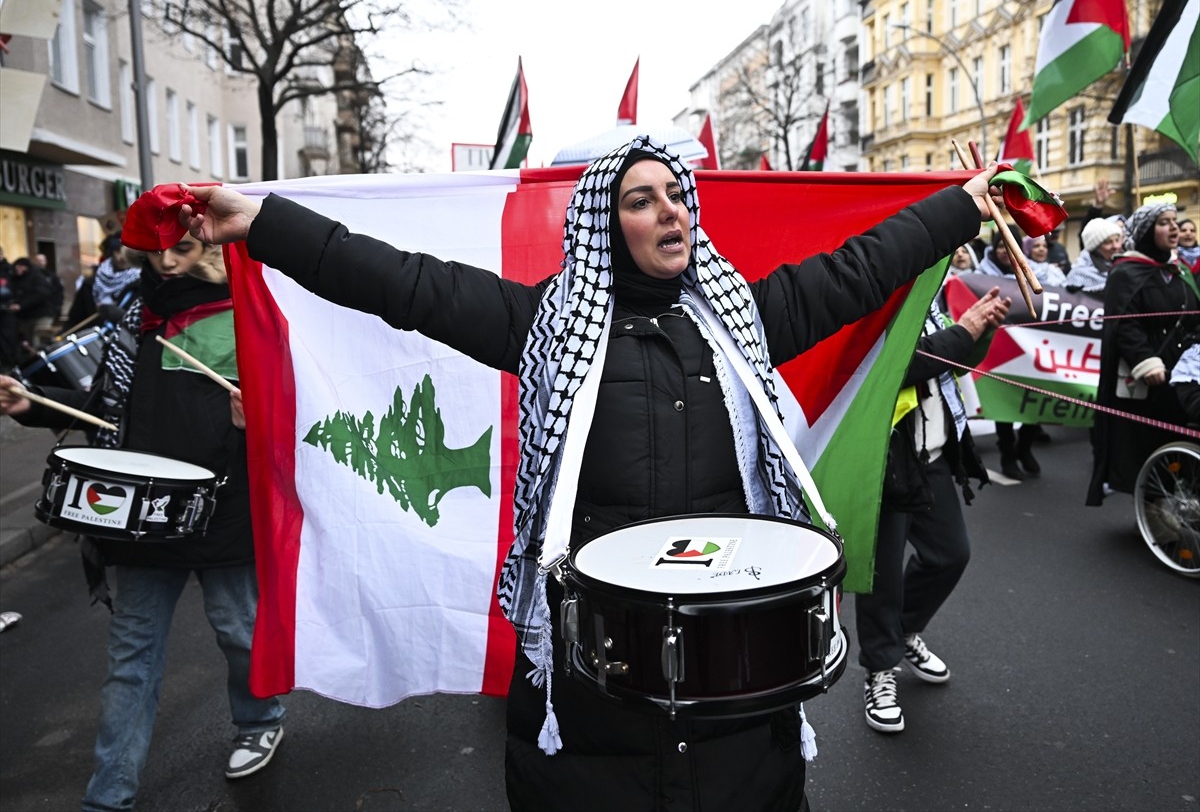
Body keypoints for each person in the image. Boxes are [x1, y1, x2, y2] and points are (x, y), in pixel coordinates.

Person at [176, 136, 1000, 812]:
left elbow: (863, 266)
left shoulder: (746, 319)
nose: (668, 208)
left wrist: (963, 205)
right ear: (606, 225)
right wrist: (262, 223)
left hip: (733, 690)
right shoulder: (542, 326)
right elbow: (403, 283)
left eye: (676, 194)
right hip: (592, 684)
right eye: (641, 199)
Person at [0, 234, 286, 811]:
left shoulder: (250, 307)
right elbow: (104, 404)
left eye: (181, 247)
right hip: (135, 512)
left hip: (221, 507)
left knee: (238, 630)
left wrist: (256, 417)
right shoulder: (138, 311)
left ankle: (259, 720)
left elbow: (291, 407)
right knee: (131, 658)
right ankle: (108, 799)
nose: (167, 261)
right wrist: (29, 401)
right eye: (157, 250)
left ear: (209, 244)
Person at [857, 286, 1010, 733]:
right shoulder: (874, 295)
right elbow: (901, 365)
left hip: (935, 456)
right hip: (887, 461)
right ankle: (880, 668)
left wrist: (978, 332)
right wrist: (966, 332)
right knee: (881, 574)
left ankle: (902, 633)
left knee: (950, 555)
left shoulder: (930, 298)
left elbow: (953, 363)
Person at [1087, 203, 1198, 505]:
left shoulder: (1179, 271)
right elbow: (1123, 325)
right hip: (1148, 376)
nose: (1174, 228)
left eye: (1175, 221)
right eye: (1164, 222)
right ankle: (1155, 509)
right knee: (1146, 445)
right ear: (1148, 231)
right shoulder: (1126, 271)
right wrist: (1146, 361)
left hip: (1183, 372)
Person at [973, 228, 1041, 478]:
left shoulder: (1036, 273)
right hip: (998, 349)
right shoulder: (979, 276)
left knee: (1033, 400)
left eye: (1009, 246)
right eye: (1001, 246)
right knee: (1004, 401)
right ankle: (1007, 455)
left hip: (1030, 348)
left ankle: (1024, 447)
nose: (1005, 251)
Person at [10, 256, 55, 355]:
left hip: (41, 315)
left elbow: (40, 294)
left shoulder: (37, 277)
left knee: (38, 341)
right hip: (25, 317)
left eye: (21, 266)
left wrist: (21, 305)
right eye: (17, 266)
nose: (18, 269)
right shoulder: (15, 279)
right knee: (29, 344)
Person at [1066, 217, 1124, 294]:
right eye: (1108, 242)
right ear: (1095, 247)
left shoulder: (1124, 267)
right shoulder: (1078, 276)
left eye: (1117, 240)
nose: (1116, 246)